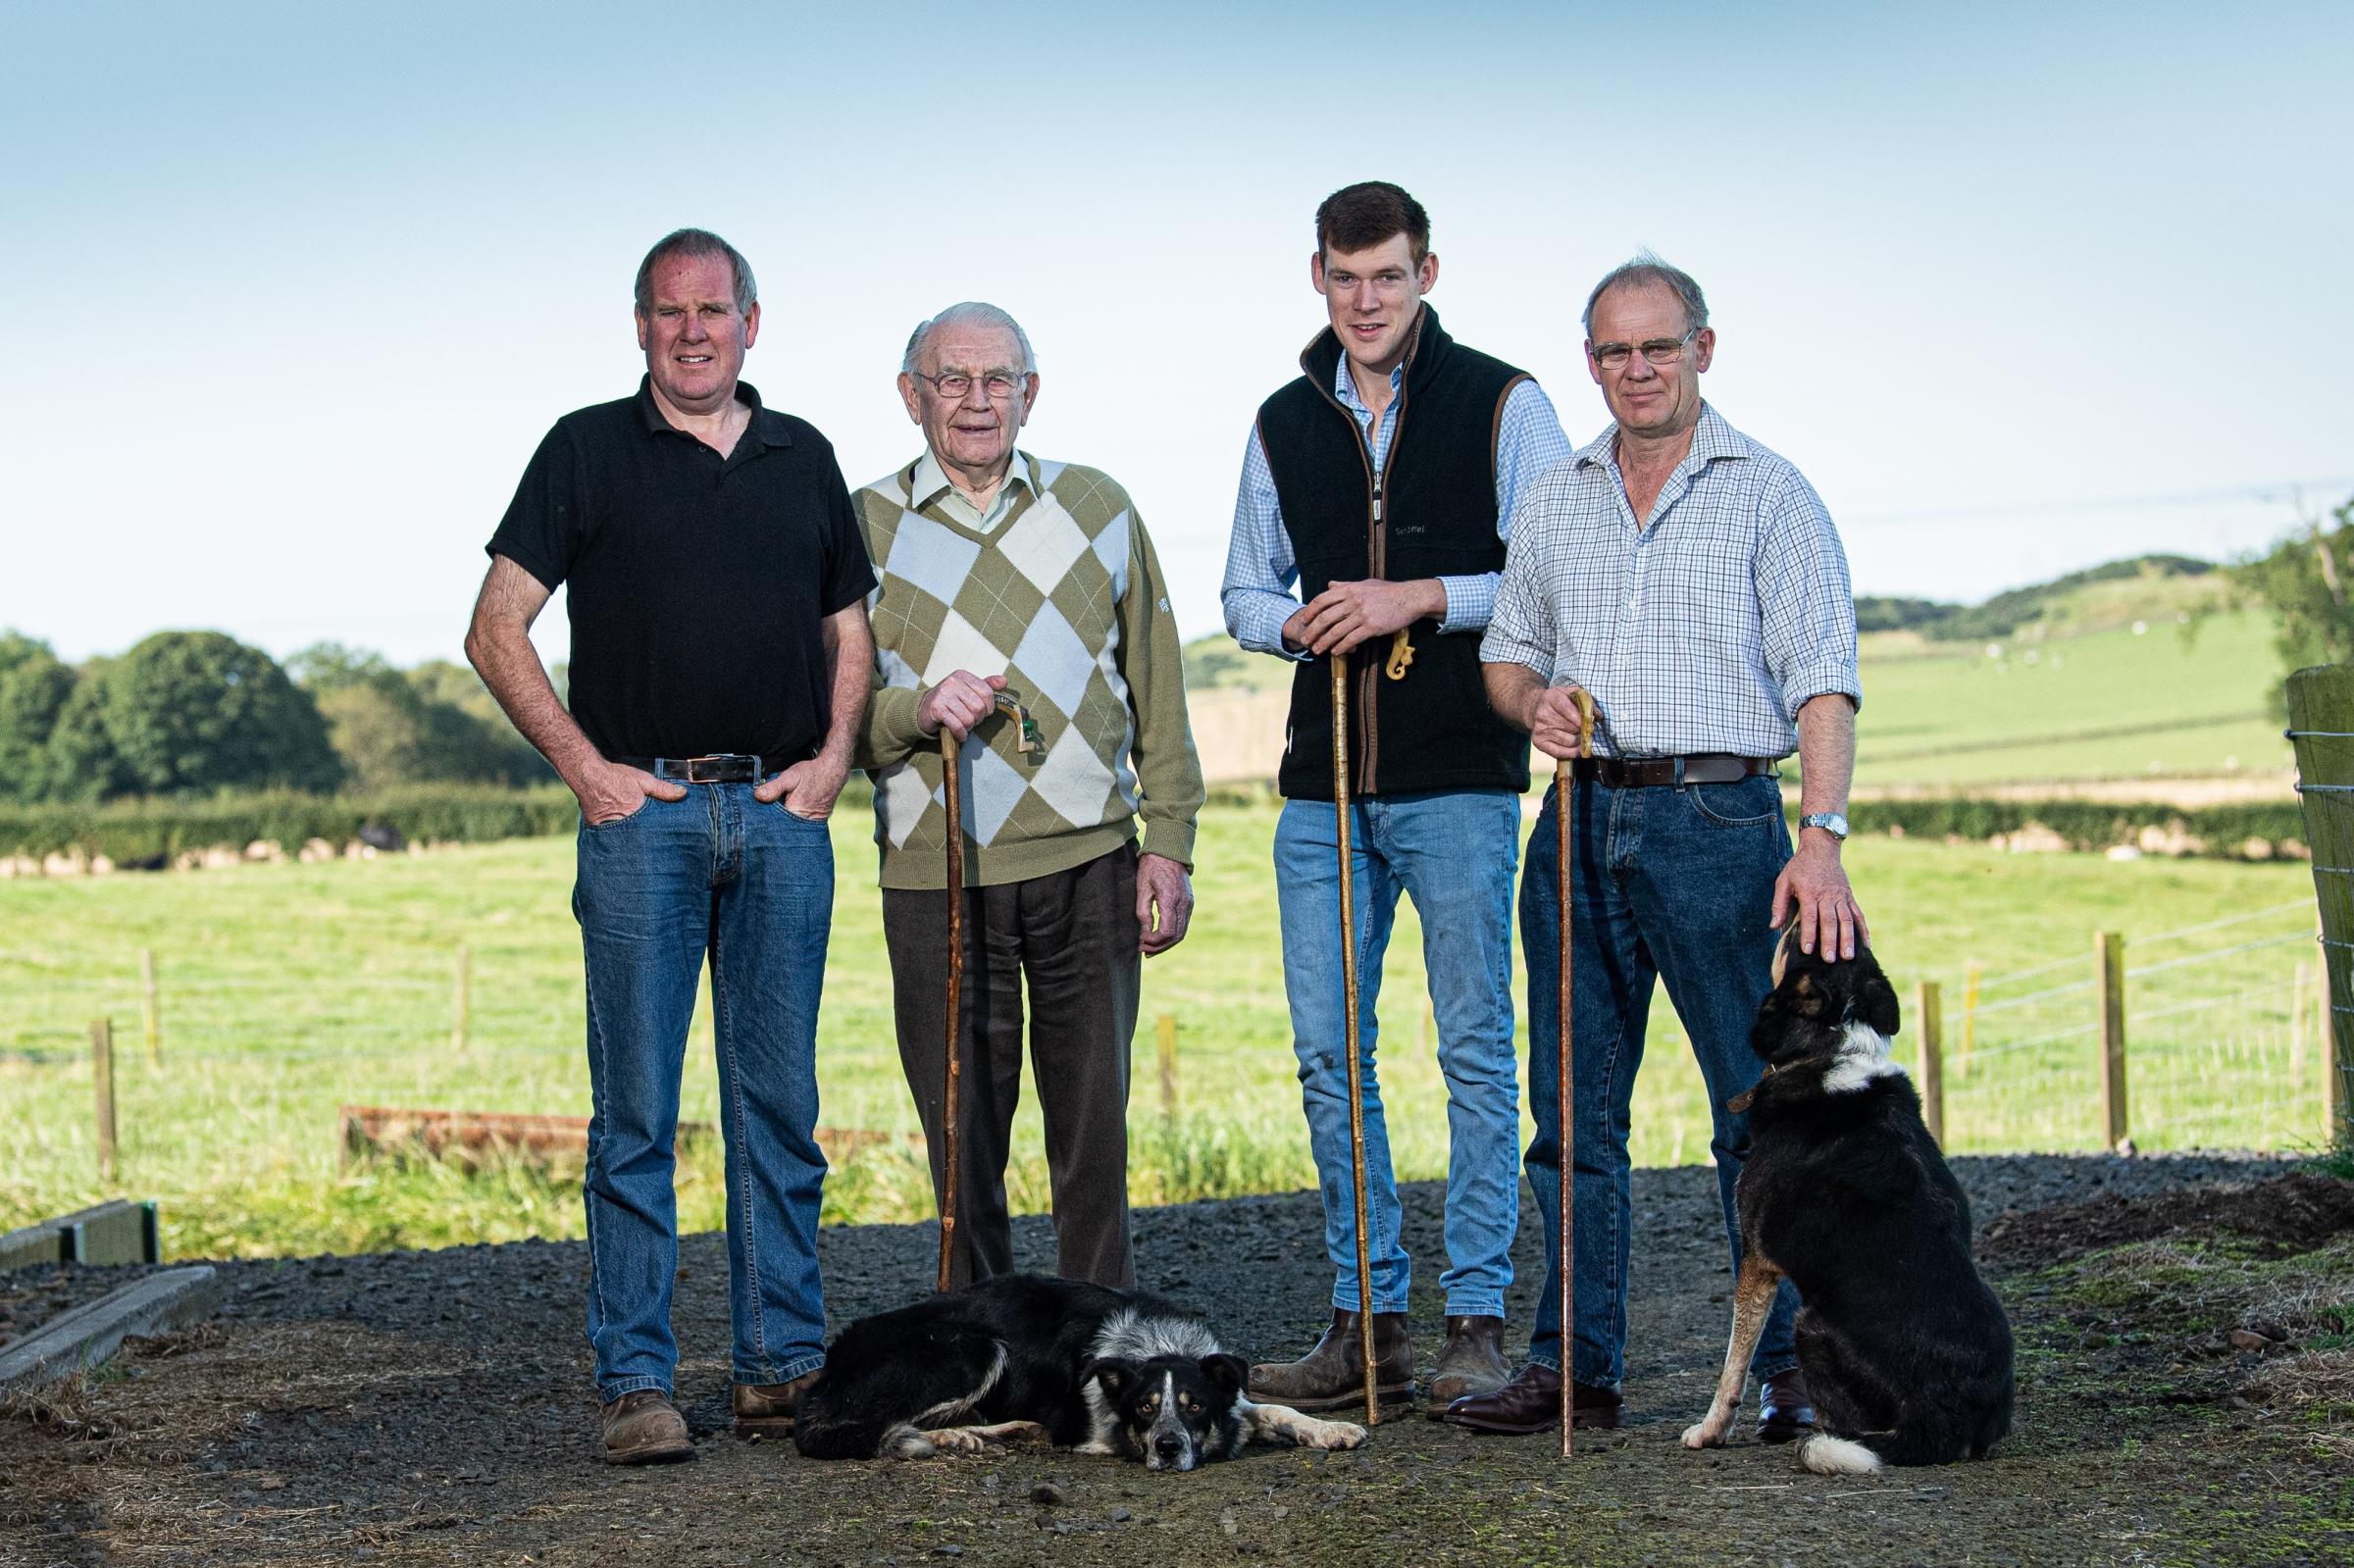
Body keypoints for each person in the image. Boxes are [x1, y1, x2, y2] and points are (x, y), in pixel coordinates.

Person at [464, 228, 875, 1464]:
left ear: (755, 320)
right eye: (668, 312)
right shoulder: (585, 449)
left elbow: (847, 630)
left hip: (779, 819)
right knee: (635, 1113)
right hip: (642, 826)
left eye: (713, 310)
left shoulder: (804, 455)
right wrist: (589, 773)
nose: (692, 331)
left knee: (779, 1109)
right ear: (638, 326)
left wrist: (835, 759)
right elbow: (496, 628)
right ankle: (638, 1382)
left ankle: (780, 1367)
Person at [1449, 253, 1866, 1439]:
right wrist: (1527, 702)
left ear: (1703, 351)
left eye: (1658, 348)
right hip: (1578, 818)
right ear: (1592, 362)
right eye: (1614, 351)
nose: (1637, 370)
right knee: (1572, 1115)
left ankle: (1792, 1368)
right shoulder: (1558, 497)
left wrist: (1822, 837)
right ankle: (1573, 1367)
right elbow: (1506, 654)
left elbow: (1823, 681)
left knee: (1755, 1110)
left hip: (1721, 821)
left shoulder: (1771, 493)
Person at [1220, 182, 1572, 1412]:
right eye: (1345, 276)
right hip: (1320, 788)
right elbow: (1242, 593)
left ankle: (1475, 1317)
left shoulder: (1506, 403)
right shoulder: (1279, 419)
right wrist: (1301, 625)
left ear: (1429, 272)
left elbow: (1546, 573)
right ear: (1316, 275)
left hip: (1462, 780)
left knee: (1475, 1051)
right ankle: (1365, 1320)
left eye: (1390, 275)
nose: (1366, 299)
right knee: (1330, 1056)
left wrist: (1415, 596)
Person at [853, 301, 1204, 1290]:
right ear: (911, 395)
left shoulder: (1098, 506)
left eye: (998, 378)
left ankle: (1104, 1345)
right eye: (952, 380)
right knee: (963, 1139)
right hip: (936, 871)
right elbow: (825, 713)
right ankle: (981, 1350)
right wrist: (912, 712)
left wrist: (1166, 841)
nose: (977, 400)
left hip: (1088, 860)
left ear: (1031, 392)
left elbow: (1160, 690)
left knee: (1093, 1133)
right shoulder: (860, 523)